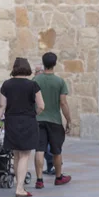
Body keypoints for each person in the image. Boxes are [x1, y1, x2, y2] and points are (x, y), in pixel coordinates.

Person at [0, 58, 45, 197]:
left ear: (14, 68)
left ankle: (18, 184)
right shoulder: (33, 85)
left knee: (16, 154)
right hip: (28, 121)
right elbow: (41, 106)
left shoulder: (6, 85)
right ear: (27, 68)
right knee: (25, 155)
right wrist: (34, 114)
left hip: (11, 121)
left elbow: (2, 107)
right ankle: (20, 188)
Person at [34, 52, 72, 189]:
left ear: (43, 63)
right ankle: (58, 177)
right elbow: (63, 103)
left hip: (38, 119)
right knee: (57, 150)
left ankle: (39, 180)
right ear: (55, 64)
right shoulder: (60, 82)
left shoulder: (35, 80)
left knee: (39, 149)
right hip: (55, 120)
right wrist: (68, 120)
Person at [34, 64, 54, 175]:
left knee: (43, 146)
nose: (36, 74)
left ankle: (41, 176)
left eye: (37, 71)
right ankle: (52, 166)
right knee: (47, 145)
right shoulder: (52, 81)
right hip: (49, 118)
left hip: (42, 118)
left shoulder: (34, 83)